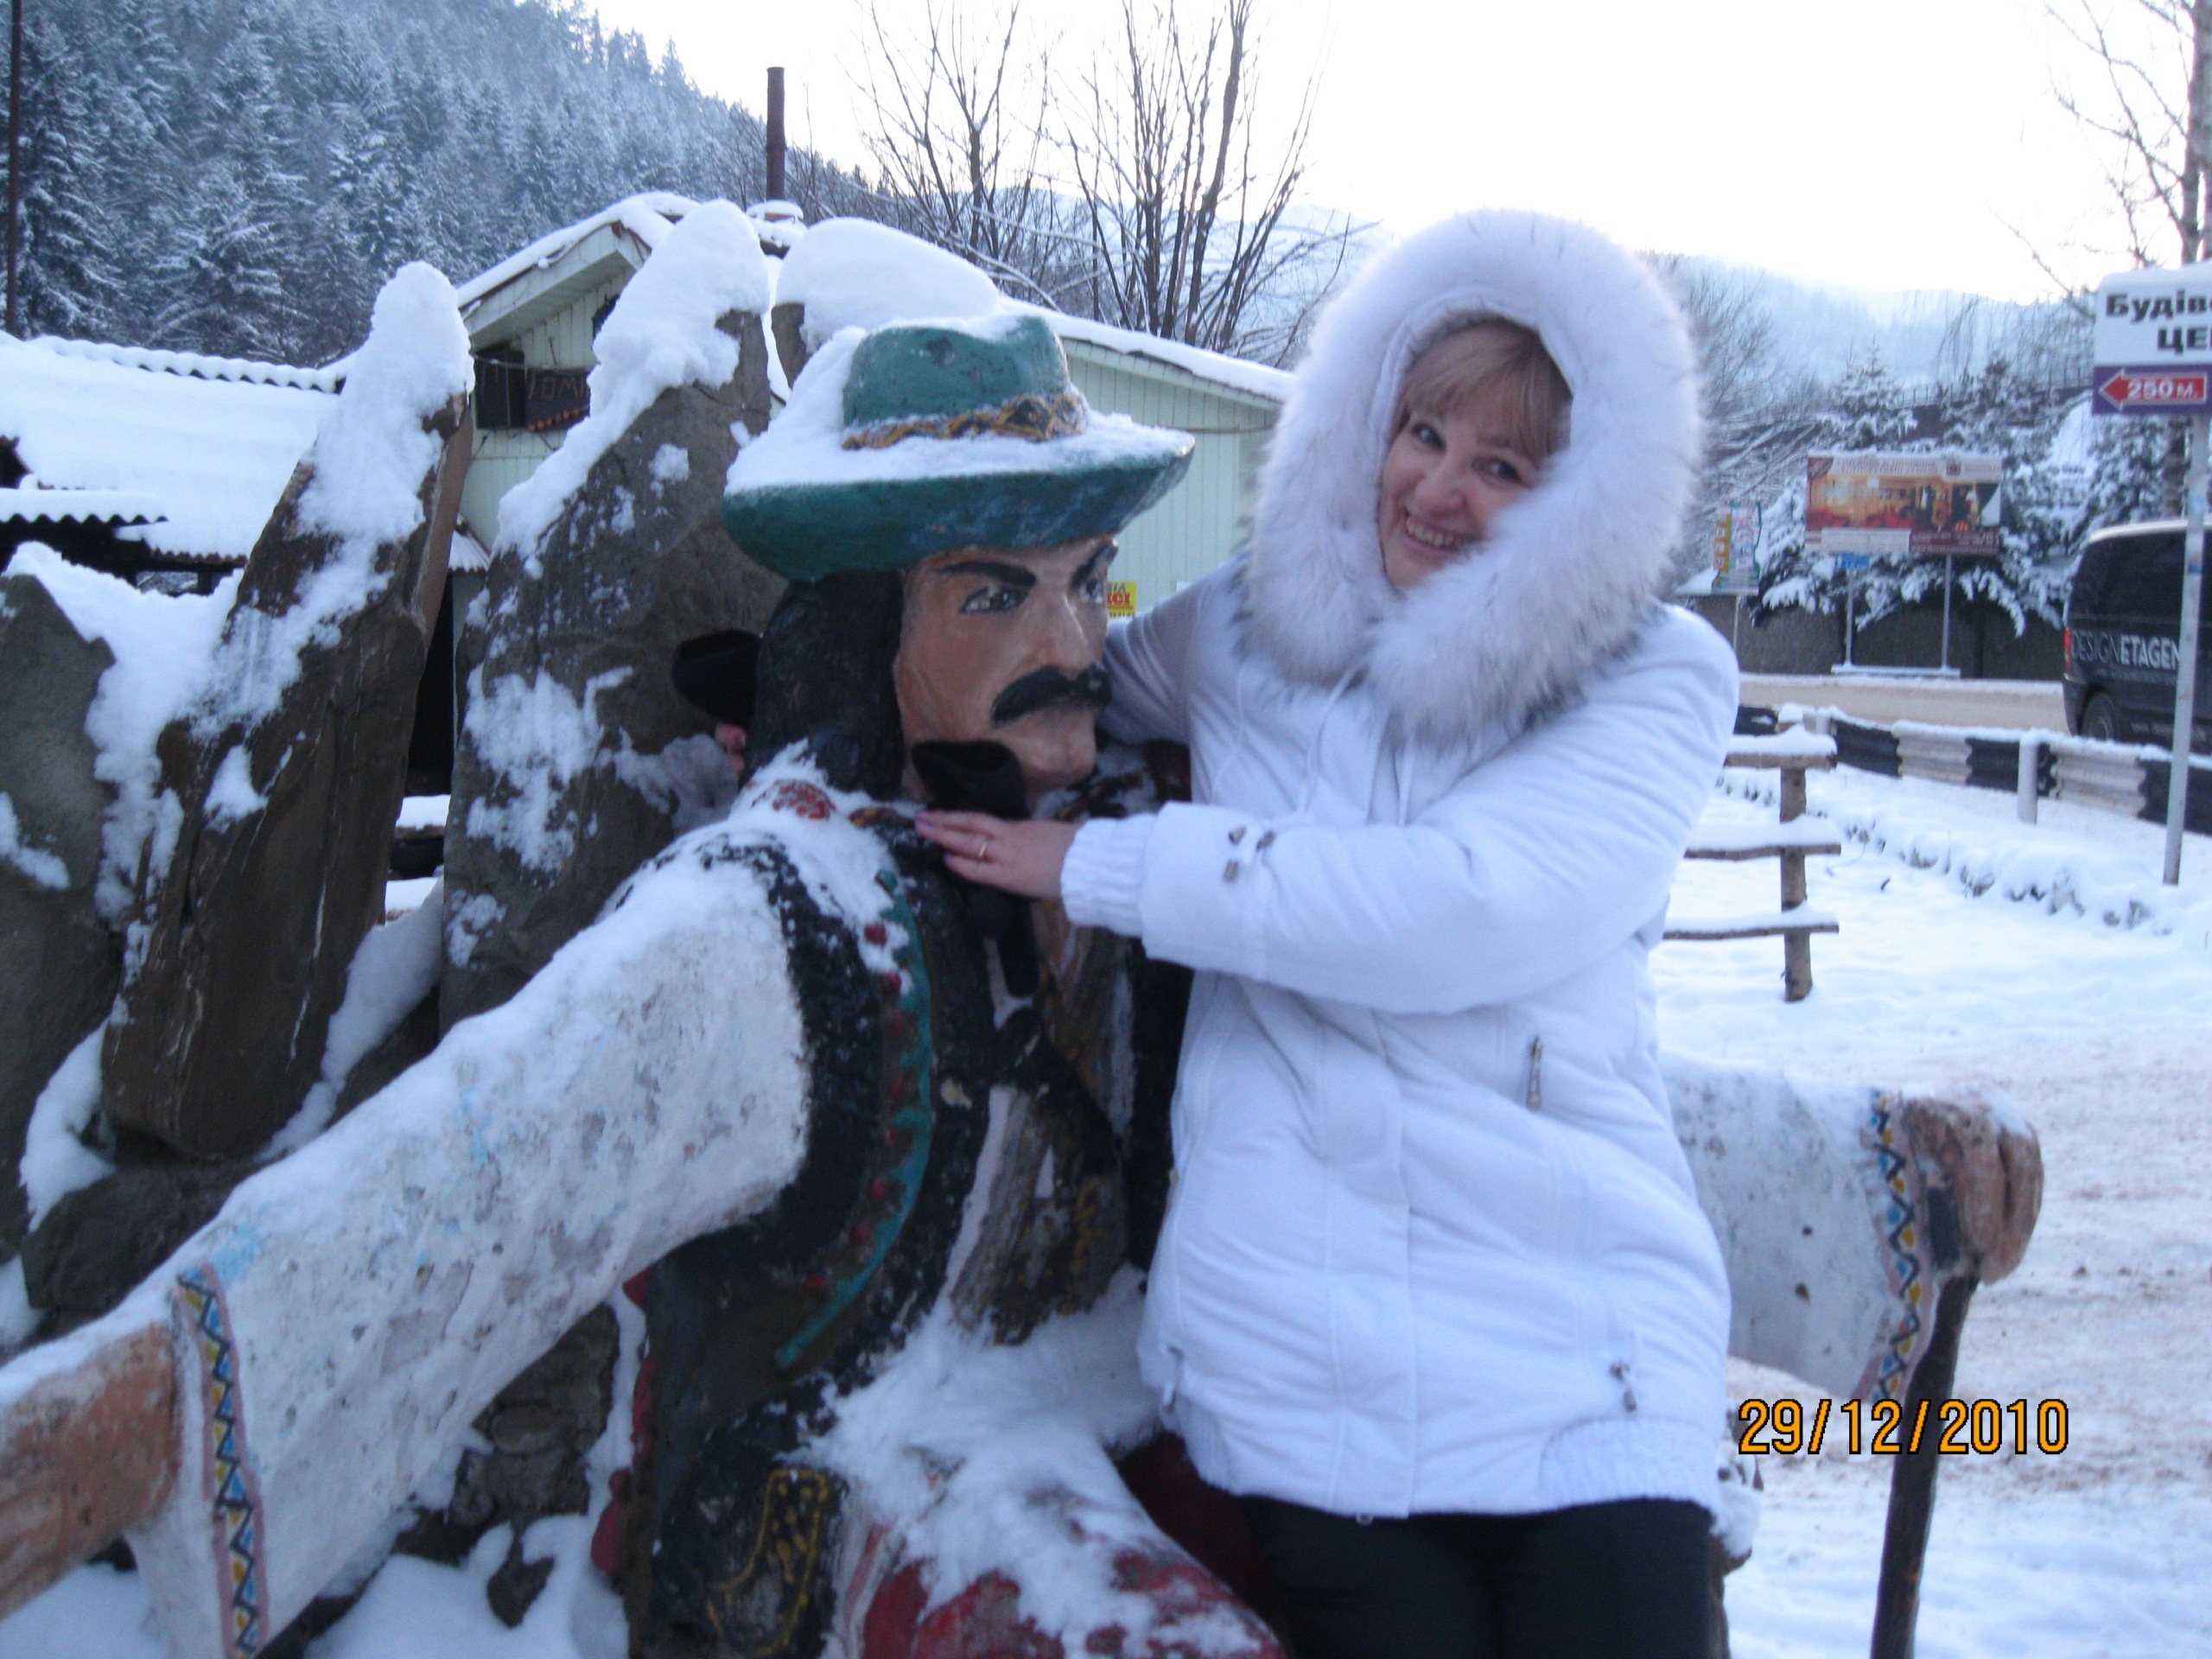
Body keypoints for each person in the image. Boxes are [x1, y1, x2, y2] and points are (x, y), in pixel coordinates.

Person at [918, 211, 1738, 1659]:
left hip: (1575, 1328)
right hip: (1309, 1343)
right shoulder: (1251, 628)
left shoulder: (1651, 679)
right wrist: (861, 713)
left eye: (1502, 468)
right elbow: (1066, 685)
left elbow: (1463, 908)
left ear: (1585, 500)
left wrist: (1107, 866)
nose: (1437, 488)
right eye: (1422, 433)